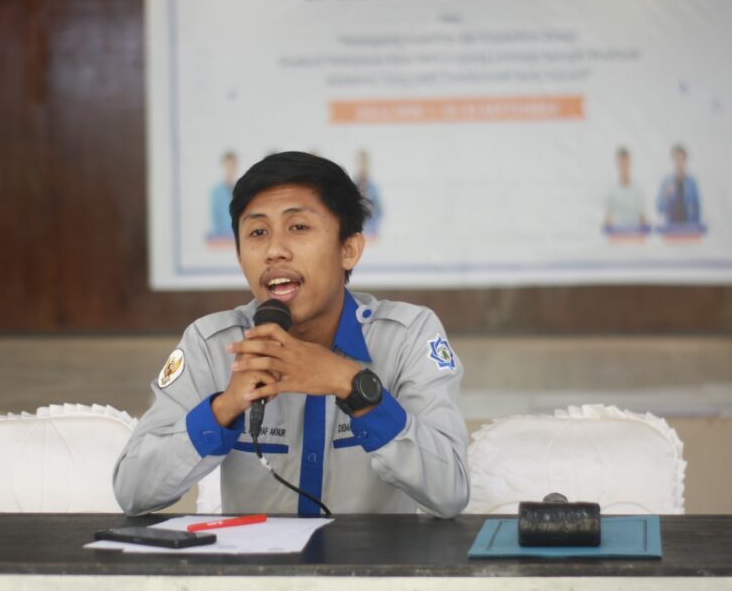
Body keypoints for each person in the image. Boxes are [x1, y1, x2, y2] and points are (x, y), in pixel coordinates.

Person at [114, 151, 469, 517]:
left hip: (370, 556)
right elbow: (133, 491)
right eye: (257, 232)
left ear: (348, 250)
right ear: (240, 257)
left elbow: (450, 492)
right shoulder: (213, 345)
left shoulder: (407, 337)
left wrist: (353, 387)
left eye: (298, 227)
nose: (274, 251)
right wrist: (224, 408)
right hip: (256, 556)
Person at [656, 144, 701, 225]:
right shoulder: (666, 182)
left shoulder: (691, 183)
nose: (679, 162)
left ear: (685, 160)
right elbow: (659, 208)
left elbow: (697, 208)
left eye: (681, 159)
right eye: (676, 159)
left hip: (688, 226)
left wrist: (695, 226)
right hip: (671, 227)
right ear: (673, 160)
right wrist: (666, 195)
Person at [603, 147, 647, 229]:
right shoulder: (612, 191)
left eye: (626, 163)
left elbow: (642, 217)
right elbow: (607, 218)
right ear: (617, 164)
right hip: (617, 233)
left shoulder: (637, 191)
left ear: (629, 164)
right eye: (621, 163)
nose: (624, 167)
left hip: (635, 233)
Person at [208, 151, 237, 240]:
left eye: (232, 166)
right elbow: (215, 217)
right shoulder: (217, 192)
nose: (230, 169)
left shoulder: (240, 189)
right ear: (224, 166)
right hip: (222, 238)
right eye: (228, 166)